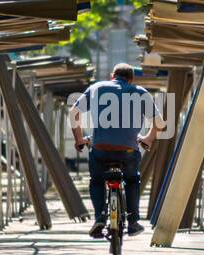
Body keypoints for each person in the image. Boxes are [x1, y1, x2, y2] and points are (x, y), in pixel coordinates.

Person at [70, 63, 165, 239]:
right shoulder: (140, 92)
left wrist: (79, 139)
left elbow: (73, 113)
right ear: (131, 79)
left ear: (112, 76)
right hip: (127, 150)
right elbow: (159, 123)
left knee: (97, 181)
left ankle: (99, 217)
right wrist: (148, 139)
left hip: (100, 149)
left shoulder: (97, 87)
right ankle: (133, 221)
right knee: (132, 180)